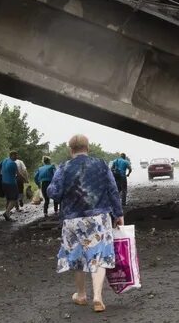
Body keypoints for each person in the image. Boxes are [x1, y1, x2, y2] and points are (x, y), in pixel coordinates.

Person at [48, 134, 125, 313]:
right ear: (87, 148)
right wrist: (118, 213)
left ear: (70, 150)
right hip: (98, 217)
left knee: (77, 256)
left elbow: (55, 193)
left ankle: (81, 294)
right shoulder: (101, 164)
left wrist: (49, 187)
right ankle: (97, 296)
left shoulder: (63, 168)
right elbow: (113, 190)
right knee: (99, 255)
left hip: (72, 219)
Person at [0, 150, 20, 220]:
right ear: (12, 155)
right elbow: (19, 174)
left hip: (3, 183)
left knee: (8, 199)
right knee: (14, 200)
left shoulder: (4, 160)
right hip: (11, 183)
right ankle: (6, 212)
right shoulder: (13, 163)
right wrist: (25, 179)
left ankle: (7, 215)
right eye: (16, 155)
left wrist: (1, 175)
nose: (17, 157)